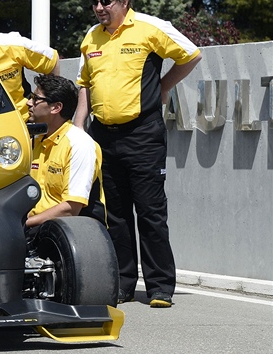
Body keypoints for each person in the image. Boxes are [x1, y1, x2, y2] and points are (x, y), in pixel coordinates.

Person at [74, 0, 202, 308]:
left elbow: (192, 55)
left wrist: (161, 87)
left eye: (106, 1)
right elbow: (85, 84)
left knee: (150, 211)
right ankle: (124, 284)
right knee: (114, 215)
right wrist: (79, 125)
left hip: (142, 134)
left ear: (125, 2)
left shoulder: (151, 28)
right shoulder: (92, 36)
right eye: (95, 2)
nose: (99, 7)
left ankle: (159, 287)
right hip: (103, 135)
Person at [25, 74, 105, 229]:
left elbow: (71, 209)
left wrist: (24, 224)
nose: (28, 103)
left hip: (69, 233)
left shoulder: (79, 144)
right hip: (36, 226)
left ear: (56, 107)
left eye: (35, 99)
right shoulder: (33, 140)